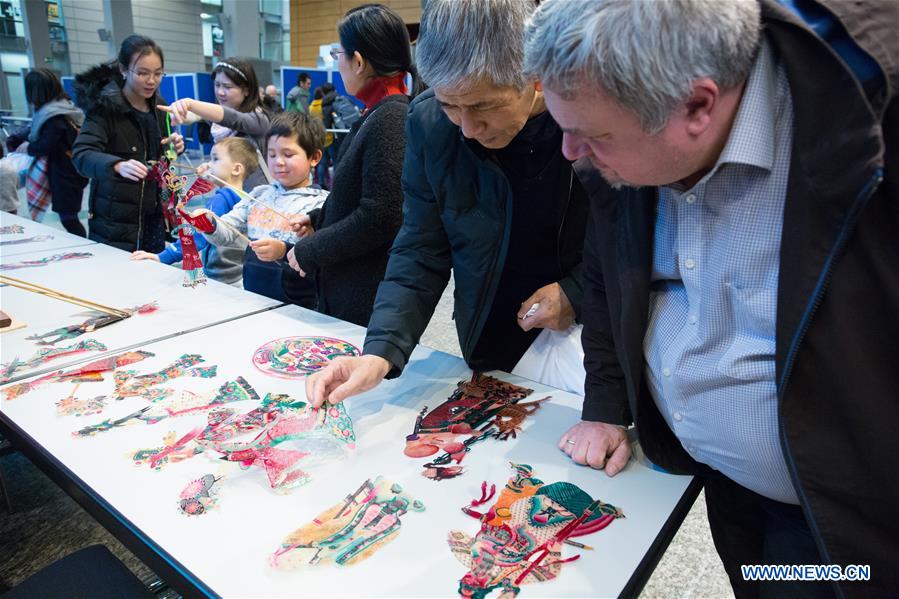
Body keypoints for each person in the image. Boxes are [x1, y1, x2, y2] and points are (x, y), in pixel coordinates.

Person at [524, 0, 898, 596]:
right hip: (722, 486)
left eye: (591, 136)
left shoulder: (867, 122)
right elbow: (603, 275)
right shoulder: (624, 128)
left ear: (697, 105)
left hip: (846, 525)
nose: (570, 154)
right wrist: (607, 401)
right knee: (758, 581)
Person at [304, 1, 587, 399]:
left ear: (536, 75)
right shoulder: (427, 124)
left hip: (591, 339)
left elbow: (637, 242)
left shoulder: (588, 118)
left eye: (483, 105)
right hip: (491, 337)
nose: (468, 129)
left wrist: (577, 291)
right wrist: (381, 351)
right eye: (450, 104)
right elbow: (420, 247)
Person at [284, 3, 420, 327]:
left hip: (365, 294)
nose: (338, 63)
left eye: (337, 54)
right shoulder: (377, 112)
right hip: (355, 286)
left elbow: (381, 215)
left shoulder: (390, 117)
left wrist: (312, 250)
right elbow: (361, 194)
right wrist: (320, 219)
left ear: (358, 61)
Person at [183, 111, 328, 304]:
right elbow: (228, 231)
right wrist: (209, 223)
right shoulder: (259, 194)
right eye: (272, 154)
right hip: (253, 296)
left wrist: (283, 251)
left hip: (301, 304)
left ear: (314, 157)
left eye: (288, 154)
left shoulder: (322, 204)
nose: (278, 162)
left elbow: (323, 255)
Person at [72, 34, 185, 252]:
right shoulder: (105, 109)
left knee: (152, 273)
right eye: (142, 73)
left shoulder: (158, 107)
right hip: (116, 220)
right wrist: (117, 165)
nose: (151, 81)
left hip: (154, 215)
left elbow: (161, 154)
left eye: (158, 73)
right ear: (123, 70)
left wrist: (174, 147)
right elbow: (81, 154)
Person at [130, 136, 257, 286]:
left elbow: (199, 236)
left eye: (215, 159)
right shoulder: (245, 197)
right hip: (238, 274)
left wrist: (164, 257)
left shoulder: (223, 198)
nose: (208, 164)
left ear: (236, 169)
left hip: (222, 279)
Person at [163, 57, 271, 189]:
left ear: (247, 90)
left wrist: (190, 104)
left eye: (227, 87)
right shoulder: (218, 125)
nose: (220, 92)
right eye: (217, 84)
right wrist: (212, 167)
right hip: (231, 197)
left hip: (257, 198)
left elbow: (234, 119)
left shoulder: (259, 120)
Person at [21, 69, 88, 235]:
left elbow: (45, 145)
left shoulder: (52, 115)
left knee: (68, 218)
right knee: (68, 217)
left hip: (65, 175)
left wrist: (27, 148)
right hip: (71, 172)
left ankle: (84, 249)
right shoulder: (63, 107)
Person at [307, 87, 334, 189]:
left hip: (317, 137)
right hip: (329, 136)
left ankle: (321, 182)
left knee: (321, 163)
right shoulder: (324, 106)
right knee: (335, 162)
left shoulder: (311, 107)